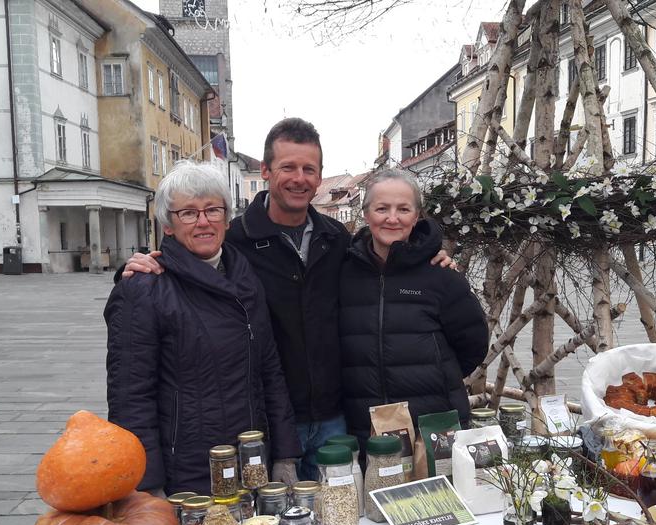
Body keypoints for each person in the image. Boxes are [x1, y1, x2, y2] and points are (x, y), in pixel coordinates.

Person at [124, 118, 454, 481]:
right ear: (265, 171)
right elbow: (184, 266)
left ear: (319, 176)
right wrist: (143, 267)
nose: (299, 178)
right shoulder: (233, 242)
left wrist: (430, 262)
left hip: (335, 417)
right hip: (265, 422)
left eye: (309, 169)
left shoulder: (337, 240)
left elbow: (385, 268)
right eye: (288, 167)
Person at [104, 160, 301, 495]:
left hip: (251, 464)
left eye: (212, 210)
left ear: (226, 217)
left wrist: (285, 453)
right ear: (168, 225)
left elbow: (270, 371)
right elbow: (130, 399)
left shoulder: (246, 278)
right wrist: (147, 485)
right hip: (186, 475)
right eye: (188, 213)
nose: (203, 221)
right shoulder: (144, 287)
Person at [338, 168, 489, 449]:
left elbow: (474, 344)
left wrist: (437, 377)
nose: (392, 218)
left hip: (433, 424)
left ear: (417, 215)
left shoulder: (440, 274)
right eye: (382, 208)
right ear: (366, 213)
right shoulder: (343, 273)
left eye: (403, 209)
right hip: (365, 425)